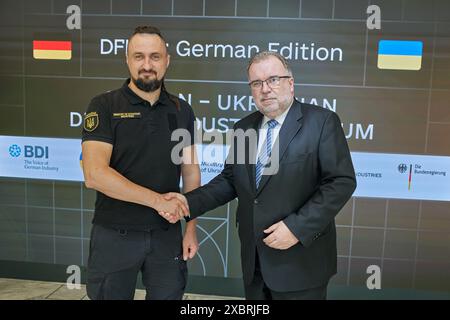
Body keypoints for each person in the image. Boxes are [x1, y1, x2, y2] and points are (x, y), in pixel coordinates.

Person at [162, 51, 356, 300]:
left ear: (290, 82)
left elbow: (340, 182)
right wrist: (186, 203)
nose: (265, 89)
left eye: (273, 79)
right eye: (257, 83)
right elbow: (230, 181)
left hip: (301, 263)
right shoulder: (244, 127)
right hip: (255, 264)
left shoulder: (322, 122)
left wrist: (297, 228)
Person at [81, 25, 200, 300]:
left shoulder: (182, 110)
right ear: (127, 60)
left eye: (155, 57)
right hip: (114, 234)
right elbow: (94, 174)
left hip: (166, 235)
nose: (147, 65)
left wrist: (191, 227)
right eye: (139, 57)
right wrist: (159, 202)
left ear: (167, 60)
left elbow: (191, 173)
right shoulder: (103, 105)